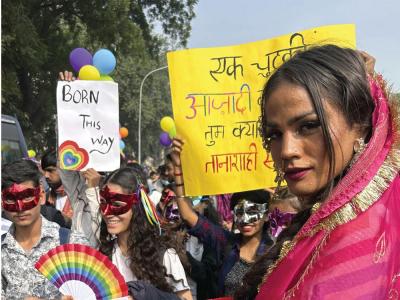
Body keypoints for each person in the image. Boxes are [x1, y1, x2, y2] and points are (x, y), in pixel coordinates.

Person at [234, 45, 400, 299]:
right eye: (275, 134)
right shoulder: (323, 223)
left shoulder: (361, 237)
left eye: (308, 126)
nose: (287, 150)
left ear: (360, 126)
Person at [168, 145, 273, 296]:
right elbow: (187, 215)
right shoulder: (226, 243)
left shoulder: (277, 250)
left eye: (252, 211)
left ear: (266, 214)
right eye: (239, 212)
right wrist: (178, 169)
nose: (245, 220)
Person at [97, 167, 193, 300]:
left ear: (135, 206)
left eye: (117, 205)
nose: (107, 213)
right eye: (103, 203)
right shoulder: (103, 256)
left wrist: (145, 294)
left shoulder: (163, 254)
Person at [1, 159, 90, 299]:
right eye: (11, 199)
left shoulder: (72, 244)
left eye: (27, 197)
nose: (20, 208)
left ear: (41, 195)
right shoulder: (2, 250)